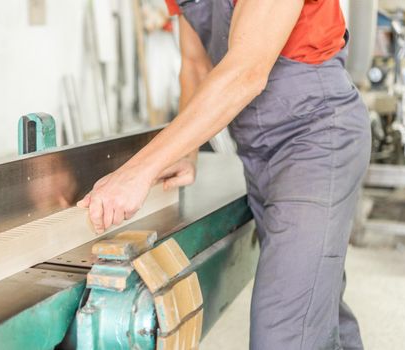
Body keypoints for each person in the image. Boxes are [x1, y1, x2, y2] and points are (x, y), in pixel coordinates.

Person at [77, 0, 371, 349]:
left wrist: (138, 171)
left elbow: (247, 71)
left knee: (284, 332)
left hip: (316, 138)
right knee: (316, 303)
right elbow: (194, 65)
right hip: (257, 151)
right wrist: (185, 152)